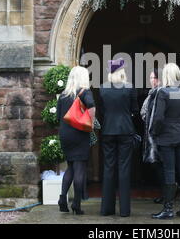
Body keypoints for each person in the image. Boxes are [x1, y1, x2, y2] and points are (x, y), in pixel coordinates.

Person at [150, 63, 180, 219]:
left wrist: (155, 133)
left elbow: (158, 118)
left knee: (169, 171)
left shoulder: (163, 92)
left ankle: (168, 209)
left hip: (166, 138)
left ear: (166, 76)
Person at [98, 58, 138, 217]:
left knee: (108, 168)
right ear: (122, 71)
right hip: (125, 130)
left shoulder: (103, 88)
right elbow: (134, 110)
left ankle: (106, 209)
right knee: (124, 169)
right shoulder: (129, 88)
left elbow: (102, 111)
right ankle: (124, 210)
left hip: (108, 130)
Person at [56, 66, 96, 215]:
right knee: (79, 169)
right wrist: (90, 123)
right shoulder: (85, 92)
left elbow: (58, 117)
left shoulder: (63, 95)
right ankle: (76, 204)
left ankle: (62, 199)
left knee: (70, 167)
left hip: (65, 135)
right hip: (79, 134)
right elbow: (91, 106)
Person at [140, 68, 164, 204]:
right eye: (149, 77)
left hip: (157, 135)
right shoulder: (152, 93)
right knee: (156, 165)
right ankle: (166, 192)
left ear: (159, 79)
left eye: (152, 77)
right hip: (151, 135)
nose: (150, 80)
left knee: (160, 165)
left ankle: (169, 192)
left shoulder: (160, 93)